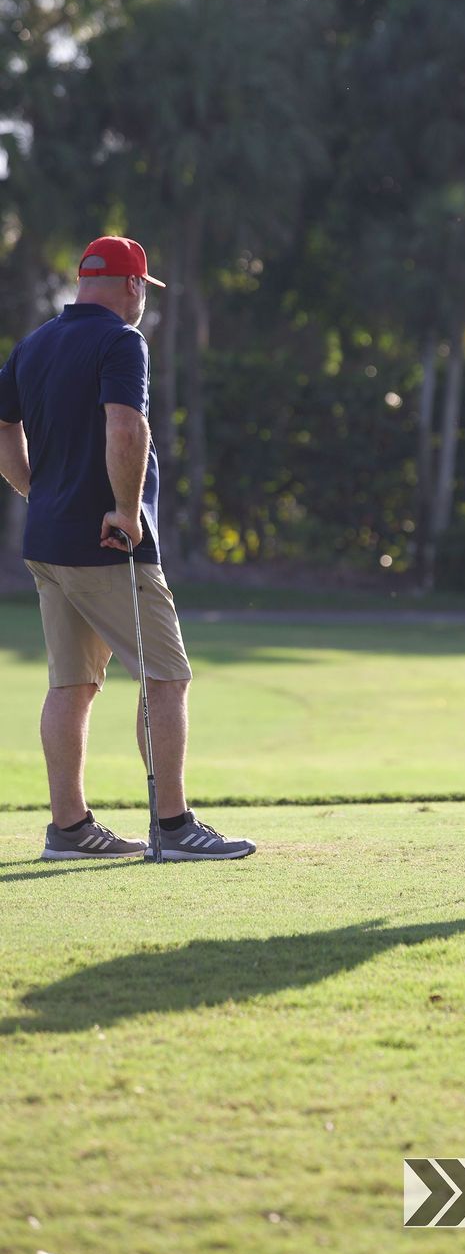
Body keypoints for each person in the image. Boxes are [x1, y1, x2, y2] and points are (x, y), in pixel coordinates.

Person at [0, 236, 256, 862]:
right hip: (107, 543)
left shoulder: (34, 344)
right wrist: (124, 508)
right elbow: (125, 422)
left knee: (71, 685)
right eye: (144, 289)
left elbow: (3, 425)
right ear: (133, 285)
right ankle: (174, 826)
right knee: (167, 677)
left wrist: (34, 490)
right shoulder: (122, 340)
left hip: (49, 543)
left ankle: (69, 829)